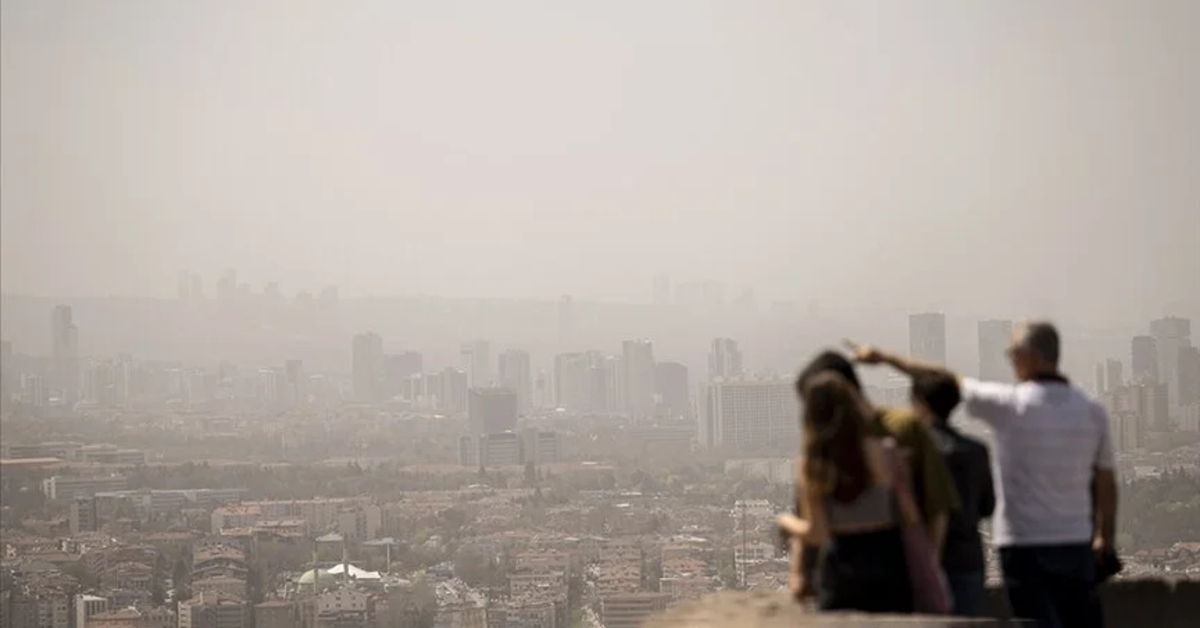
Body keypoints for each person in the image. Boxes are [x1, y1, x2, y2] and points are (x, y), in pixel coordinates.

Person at [849, 321, 1118, 628]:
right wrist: (1103, 536)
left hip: (1024, 545)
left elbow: (944, 379)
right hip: (1076, 543)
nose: (1010, 360)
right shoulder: (1092, 410)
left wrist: (883, 357)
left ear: (1029, 356)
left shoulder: (1010, 405)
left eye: (1012, 353)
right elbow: (1106, 480)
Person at [785, 350, 960, 601]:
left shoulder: (901, 429)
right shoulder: (826, 446)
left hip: (890, 571)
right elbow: (808, 511)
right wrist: (799, 574)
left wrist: (924, 570)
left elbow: (935, 508)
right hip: (868, 575)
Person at [786, 370, 917, 612]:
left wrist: (787, 522)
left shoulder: (812, 464)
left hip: (843, 570)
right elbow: (910, 515)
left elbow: (817, 533)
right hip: (889, 565)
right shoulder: (886, 452)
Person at [910, 371, 995, 617]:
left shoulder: (913, 451)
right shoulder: (976, 450)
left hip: (923, 560)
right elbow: (988, 507)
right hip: (967, 558)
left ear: (920, 403)